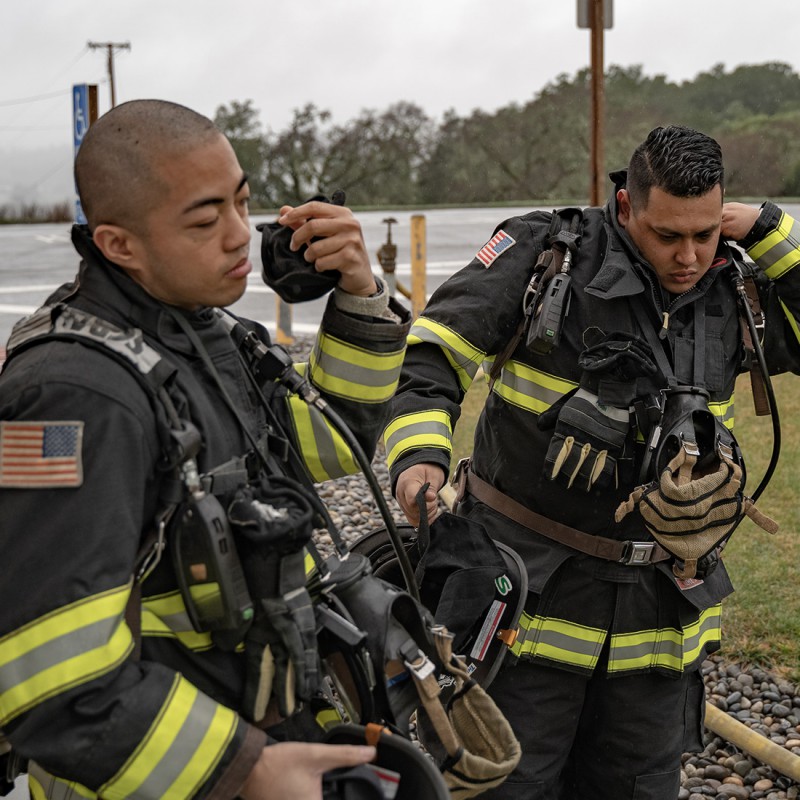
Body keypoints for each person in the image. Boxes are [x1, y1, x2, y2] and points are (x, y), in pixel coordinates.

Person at [0, 99, 411, 799]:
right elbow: (54, 682)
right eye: (204, 219)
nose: (240, 235)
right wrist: (246, 769)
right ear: (118, 245)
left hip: (254, 740)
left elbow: (322, 447)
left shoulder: (203, 333)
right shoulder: (70, 395)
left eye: (242, 202)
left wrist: (359, 297)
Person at [385, 125, 800, 799]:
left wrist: (770, 232)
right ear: (627, 205)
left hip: (660, 633)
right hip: (522, 621)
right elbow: (434, 352)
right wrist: (418, 457)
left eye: (705, 234)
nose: (689, 256)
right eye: (668, 235)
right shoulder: (544, 255)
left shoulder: (733, 283)